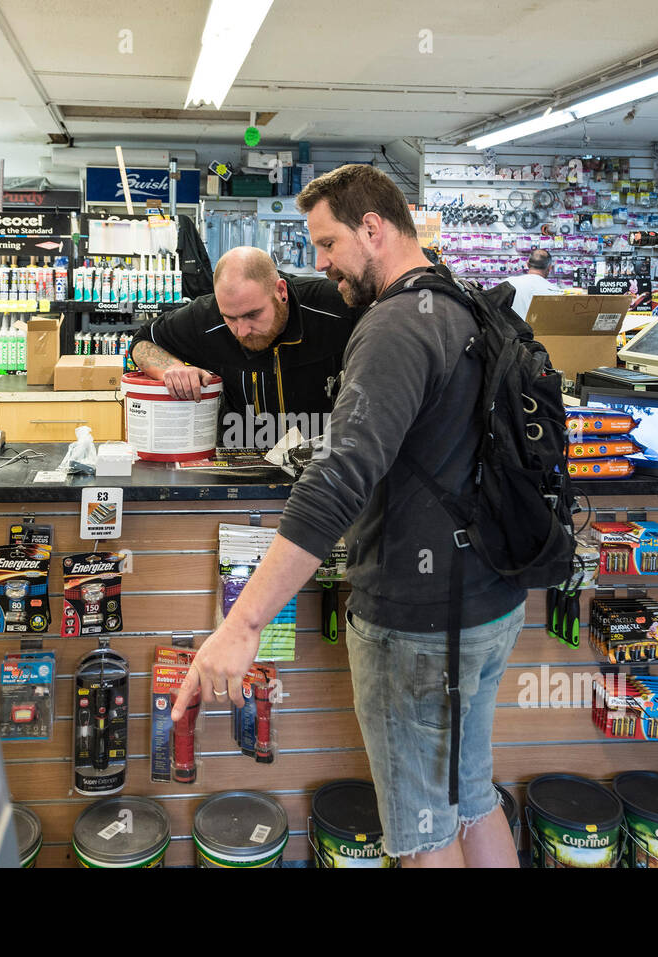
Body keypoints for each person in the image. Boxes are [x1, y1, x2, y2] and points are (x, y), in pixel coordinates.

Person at [170, 164, 526, 868]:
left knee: (424, 835)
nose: (320, 261)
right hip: (489, 603)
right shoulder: (464, 302)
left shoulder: (392, 326)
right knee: (472, 796)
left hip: (420, 623)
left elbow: (337, 478)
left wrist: (242, 625)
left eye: (327, 242)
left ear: (373, 227)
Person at [128, 246, 360, 447]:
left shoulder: (336, 306)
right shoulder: (206, 317)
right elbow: (142, 341)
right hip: (241, 465)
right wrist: (171, 369)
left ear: (281, 291)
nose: (242, 331)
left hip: (324, 463)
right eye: (230, 318)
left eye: (253, 314)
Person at [503, 247, 561, 319]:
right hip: (540, 329)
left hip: (509, 329)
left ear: (527, 264)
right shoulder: (556, 291)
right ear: (549, 268)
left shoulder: (508, 283)